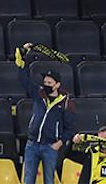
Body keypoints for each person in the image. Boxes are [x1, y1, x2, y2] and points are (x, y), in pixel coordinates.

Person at [18, 45, 77, 184]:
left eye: (49, 83)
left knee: (49, 181)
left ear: (57, 85)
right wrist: (23, 57)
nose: (46, 85)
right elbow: (23, 78)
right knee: (28, 180)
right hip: (32, 144)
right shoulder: (38, 94)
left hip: (50, 147)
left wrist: (59, 143)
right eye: (45, 82)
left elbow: (70, 128)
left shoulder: (66, 103)